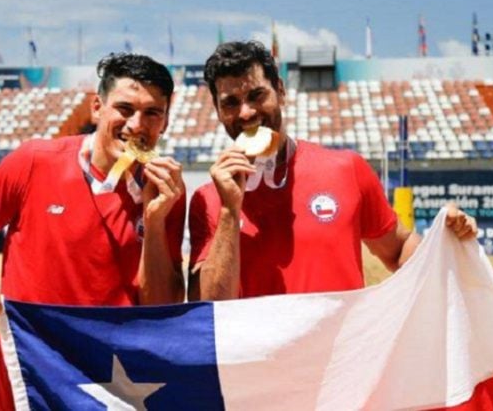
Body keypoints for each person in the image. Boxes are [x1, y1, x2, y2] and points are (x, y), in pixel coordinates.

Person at [0, 53, 186, 410]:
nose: (136, 124)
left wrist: (156, 217)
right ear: (97, 107)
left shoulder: (167, 190)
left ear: (164, 121)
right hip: (26, 371)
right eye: (125, 108)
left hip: (111, 381)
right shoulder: (34, 161)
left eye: (152, 113)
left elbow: (160, 305)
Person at [188, 41, 477, 301]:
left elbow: (400, 251)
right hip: (259, 360)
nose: (246, 112)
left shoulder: (345, 169)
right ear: (217, 110)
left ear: (281, 91)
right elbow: (209, 308)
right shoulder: (208, 199)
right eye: (230, 103)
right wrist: (229, 211)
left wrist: (447, 235)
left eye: (257, 95)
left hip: (342, 358)